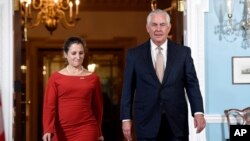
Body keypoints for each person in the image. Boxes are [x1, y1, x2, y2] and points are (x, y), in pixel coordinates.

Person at [120, 9, 206, 141]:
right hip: (146, 121)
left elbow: (192, 85)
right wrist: (126, 118)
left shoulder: (183, 53)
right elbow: (127, 89)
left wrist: (198, 112)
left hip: (176, 121)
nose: (158, 29)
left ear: (169, 27)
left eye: (162, 24)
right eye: (154, 25)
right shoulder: (134, 55)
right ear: (147, 28)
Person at [42, 36, 104, 141]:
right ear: (65, 54)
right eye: (74, 53)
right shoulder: (55, 78)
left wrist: (99, 132)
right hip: (61, 129)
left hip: (87, 128)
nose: (78, 57)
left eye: (81, 53)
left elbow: (98, 107)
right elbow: (49, 106)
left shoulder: (93, 78)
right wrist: (47, 129)